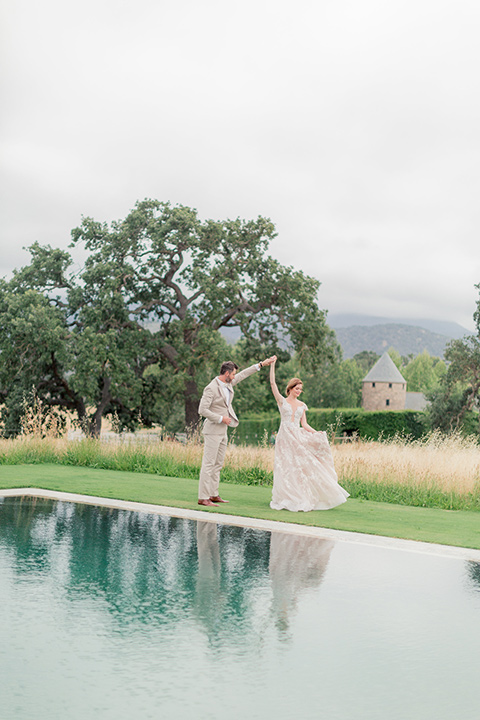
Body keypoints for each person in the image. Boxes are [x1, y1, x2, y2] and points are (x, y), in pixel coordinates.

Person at [268, 357, 349, 511]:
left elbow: (304, 424)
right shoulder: (282, 401)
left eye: (300, 389)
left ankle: (303, 495)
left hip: (297, 437)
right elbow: (272, 384)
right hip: (284, 438)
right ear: (290, 388)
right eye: (296, 388)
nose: (299, 391)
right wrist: (272, 365)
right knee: (285, 466)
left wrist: (316, 432)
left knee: (301, 466)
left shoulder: (302, 405)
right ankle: (287, 495)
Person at [197, 357, 276, 506]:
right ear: (226, 373)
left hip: (223, 431)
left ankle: (213, 494)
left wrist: (260, 365)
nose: (234, 377)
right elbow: (202, 410)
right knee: (208, 464)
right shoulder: (211, 388)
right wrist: (221, 418)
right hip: (213, 430)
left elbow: (244, 374)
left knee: (218, 464)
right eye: (232, 374)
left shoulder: (229, 383)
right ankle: (203, 497)